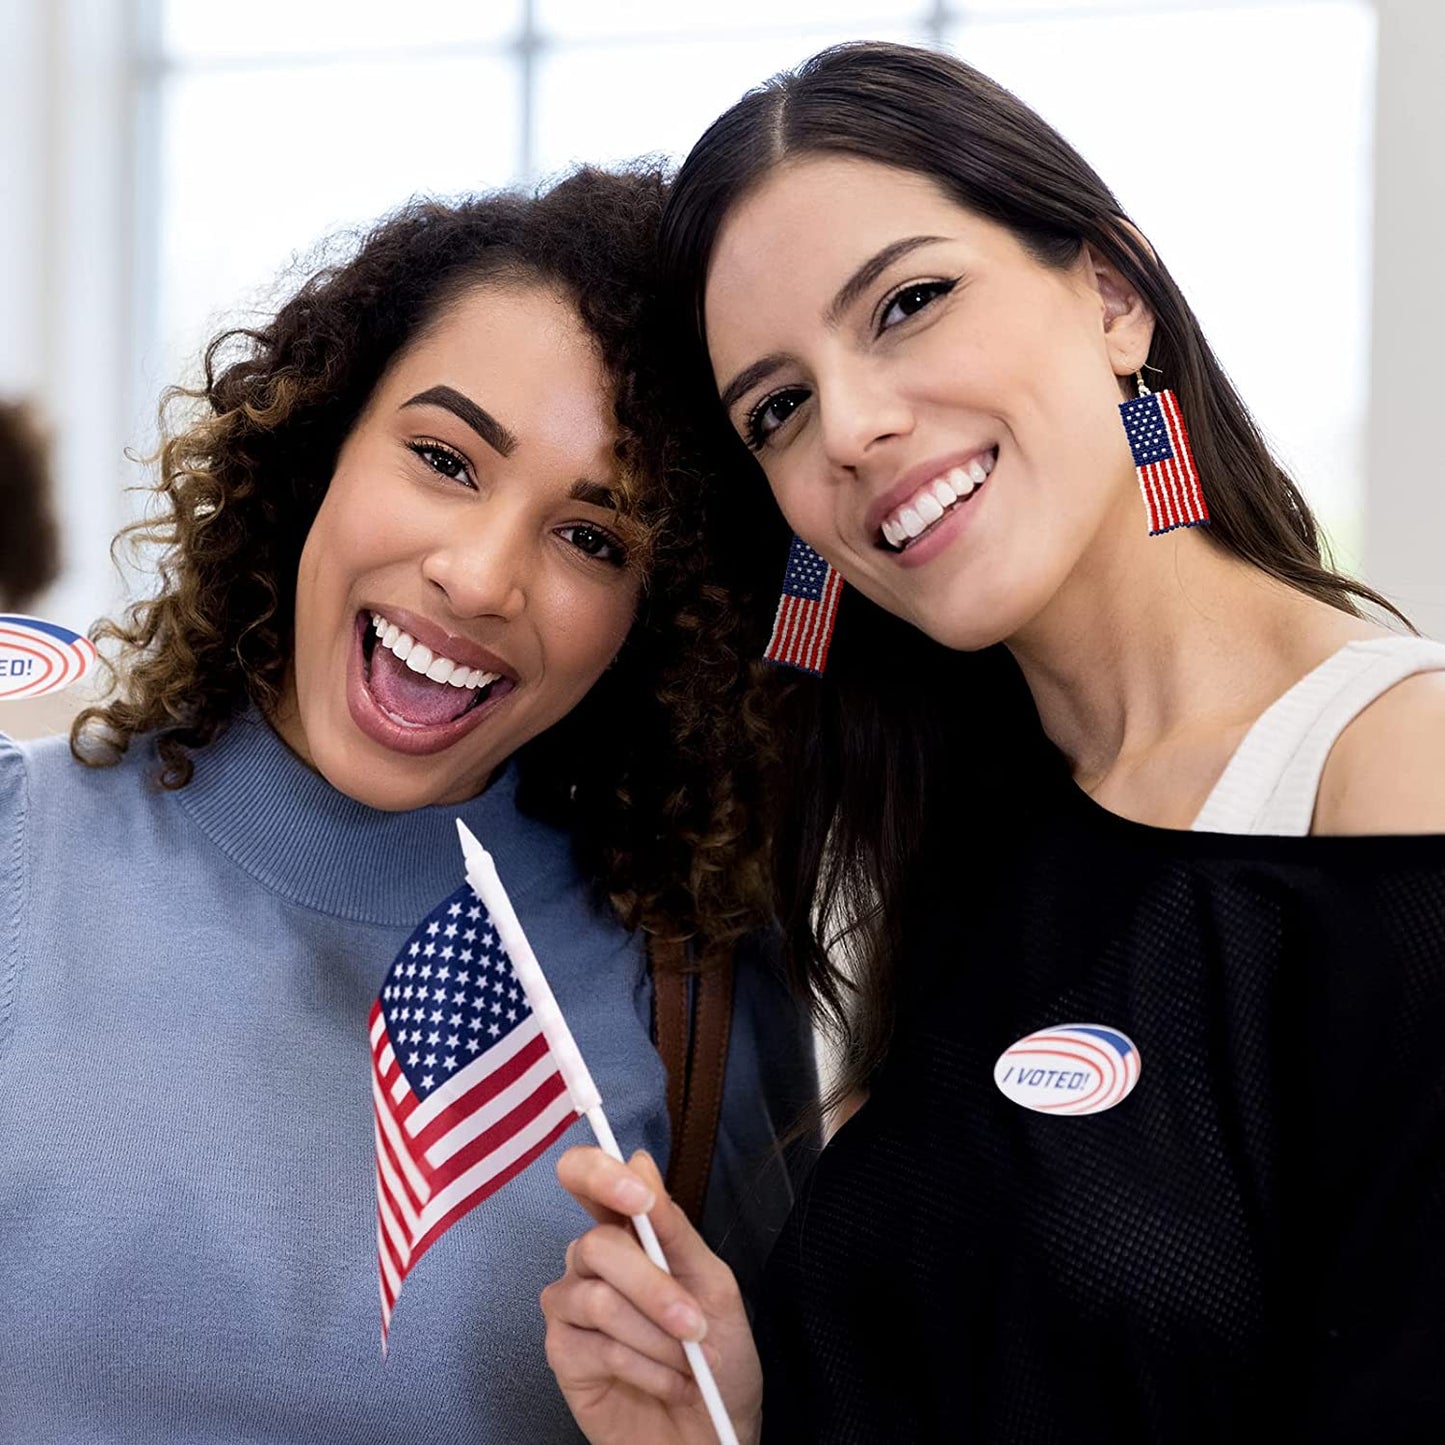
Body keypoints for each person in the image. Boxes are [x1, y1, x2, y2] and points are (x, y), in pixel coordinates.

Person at [540, 42, 1445, 1445]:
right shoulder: (961, 841)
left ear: (1113, 295)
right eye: (775, 408)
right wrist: (737, 1408)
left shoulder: (1390, 777)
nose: (850, 425)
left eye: (908, 304)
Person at [0, 167, 815, 1442]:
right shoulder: (17, 850)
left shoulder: (693, 982)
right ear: (316, 445)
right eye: (443, 458)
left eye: (593, 537)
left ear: (657, 622)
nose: (481, 576)